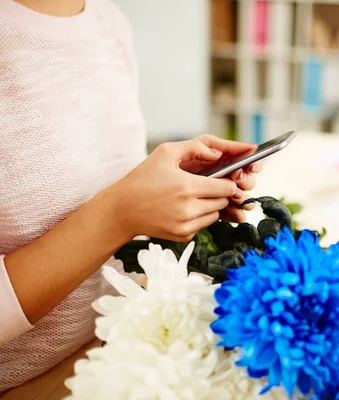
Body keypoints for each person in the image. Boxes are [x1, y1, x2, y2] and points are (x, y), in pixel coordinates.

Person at [0, 0, 261, 390]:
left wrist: (174, 192)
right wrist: (118, 214)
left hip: (121, 356)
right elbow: (110, 211)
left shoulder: (108, 22)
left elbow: (99, 181)